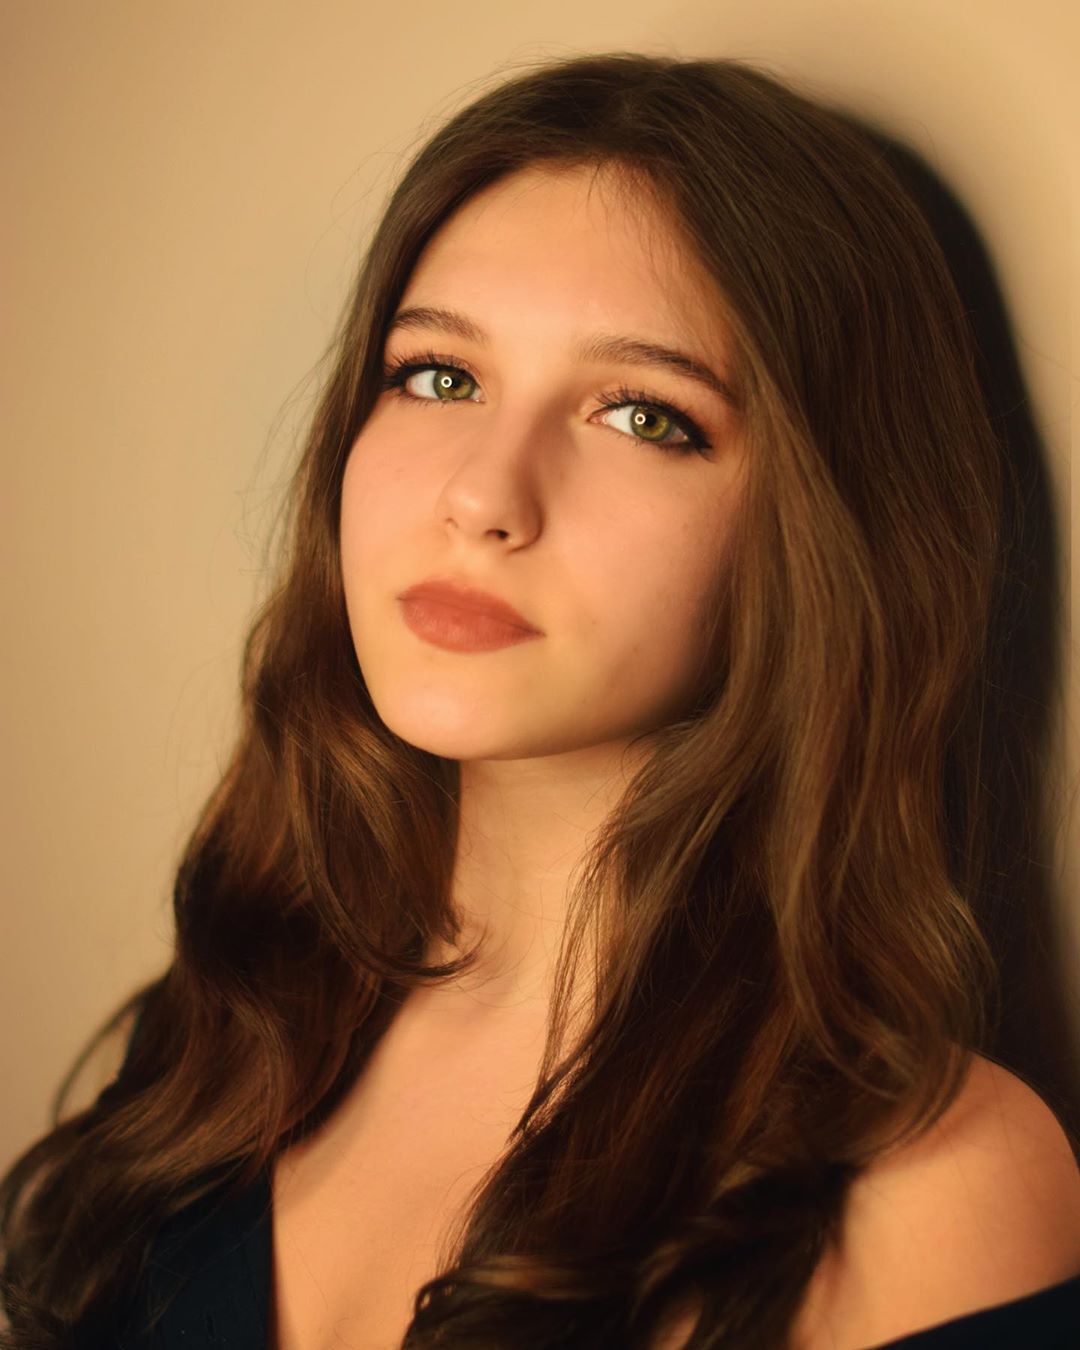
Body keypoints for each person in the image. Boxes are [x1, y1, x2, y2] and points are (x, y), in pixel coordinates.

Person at [2, 50, 1079, 1350]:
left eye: (642, 415)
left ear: (826, 530)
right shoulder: (225, 1030)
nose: (484, 495)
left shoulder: (924, 1192)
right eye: (439, 376)